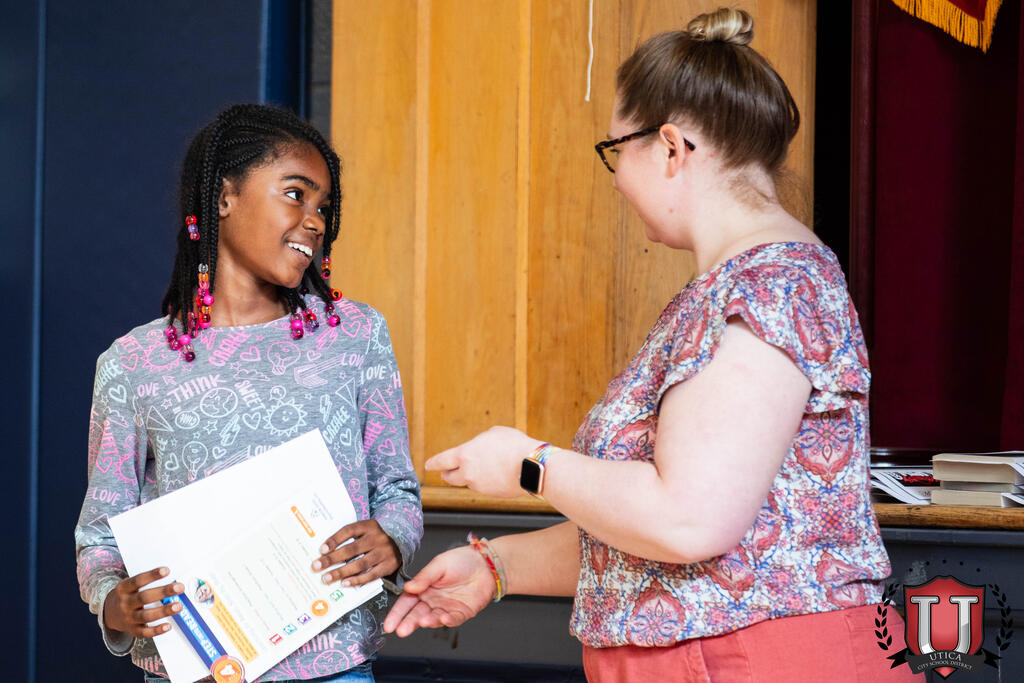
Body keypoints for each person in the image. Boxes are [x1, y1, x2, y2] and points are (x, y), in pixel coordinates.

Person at [383, 9, 919, 682]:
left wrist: (529, 464)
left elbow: (689, 520)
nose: (614, 179)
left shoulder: (772, 285)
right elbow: (661, 537)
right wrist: (498, 566)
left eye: (616, 150)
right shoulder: (731, 287)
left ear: (670, 148)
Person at [75, 104, 423, 682]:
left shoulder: (356, 335)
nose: (315, 221)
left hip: (333, 665)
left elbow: (397, 490)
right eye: (295, 194)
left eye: (323, 207)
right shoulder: (133, 364)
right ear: (223, 197)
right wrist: (113, 601)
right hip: (195, 666)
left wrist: (392, 540)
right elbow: (100, 534)